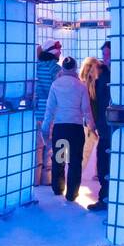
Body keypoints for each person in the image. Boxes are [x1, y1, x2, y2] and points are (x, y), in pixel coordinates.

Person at [41, 55, 94, 203]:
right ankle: (72, 194)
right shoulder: (81, 86)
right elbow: (86, 110)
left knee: (59, 159)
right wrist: (92, 126)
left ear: (63, 68)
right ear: (75, 67)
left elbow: (50, 109)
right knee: (75, 161)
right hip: (76, 129)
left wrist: (45, 129)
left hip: (61, 128)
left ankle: (58, 188)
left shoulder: (55, 85)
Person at [88, 41, 113, 212]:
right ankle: (104, 198)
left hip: (119, 127)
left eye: (108, 54)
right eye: (104, 55)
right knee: (104, 163)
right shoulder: (102, 75)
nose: (105, 58)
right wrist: (96, 122)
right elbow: (94, 100)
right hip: (105, 127)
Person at [34, 40, 62, 185]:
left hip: (36, 111)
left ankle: (35, 180)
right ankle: (47, 179)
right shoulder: (56, 69)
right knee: (49, 148)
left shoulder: (35, 67)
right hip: (51, 113)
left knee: (37, 148)